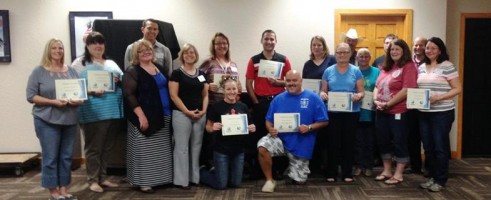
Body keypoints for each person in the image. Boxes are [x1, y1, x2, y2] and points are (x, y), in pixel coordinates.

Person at [26, 38, 83, 200]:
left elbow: (79, 94)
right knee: (50, 156)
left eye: (60, 48)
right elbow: (31, 96)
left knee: (66, 156)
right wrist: (52, 102)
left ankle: (64, 189)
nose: (58, 51)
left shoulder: (71, 70)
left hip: (69, 119)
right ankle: (53, 192)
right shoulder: (39, 71)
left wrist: (77, 100)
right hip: (46, 120)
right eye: (54, 48)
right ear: (48, 51)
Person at [258, 70, 329, 193]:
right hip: (279, 139)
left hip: (301, 144)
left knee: (299, 182)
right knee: (262, 146)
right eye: (288, 81)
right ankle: (269, 180)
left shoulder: (314, 98)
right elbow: (268, 120)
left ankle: (291, 170)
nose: (291, 83)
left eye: (294, 80)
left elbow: (324, 121)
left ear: (301, 81)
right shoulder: (278, 99)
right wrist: (270, 129)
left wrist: (309, 127)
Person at [71, 32, 123, 193]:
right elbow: (72, 88)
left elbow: (123, 81)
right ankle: (92, 180)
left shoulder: (111, 63)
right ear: (87, 45)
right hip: (93, 112)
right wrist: (91, 90)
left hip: (113, 112)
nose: (98, 46)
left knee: (107, 148)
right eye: (93, 43)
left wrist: (118, 80)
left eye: (100, 42)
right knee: (94, 148)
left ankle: (103, 177)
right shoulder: (79, 63)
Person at [123, 40, 173, 193]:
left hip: (163, 114)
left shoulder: (159, 67)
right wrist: (141, 116)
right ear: (136, 54)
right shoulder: (133, 71)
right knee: (144, 151)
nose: (146, 52)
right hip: (144, 117)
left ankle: (160, 179)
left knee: (160, 150)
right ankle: (145, 182)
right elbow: (129, 95)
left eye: (149, 49)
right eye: (142, 50)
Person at [245, 29, 292, 179]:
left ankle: (277, 169)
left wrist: (277, 82)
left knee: (278, 134)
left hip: (279, 102)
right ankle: (259, 170)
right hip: (261, 102)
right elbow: (248, 83)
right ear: (261, 41)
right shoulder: (254, 60)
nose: (269, 42)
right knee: (260, 135)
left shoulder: (283, 59)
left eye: (272, 39)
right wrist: (255, 102)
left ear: (275, 41)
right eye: (266, 39)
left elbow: (291, 82)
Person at [418, 37, 462, 192]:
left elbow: (457, 88)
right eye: (428, 48)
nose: (429, 50)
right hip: (424, 113)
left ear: (440, 50)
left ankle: (441, 180)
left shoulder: (447, 66)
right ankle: (432, 176)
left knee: (440, 147)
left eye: (433, 48)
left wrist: (439, 97)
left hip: (442, 113)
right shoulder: (421, 66)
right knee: (428, 147)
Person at [373, 39, 418, 185]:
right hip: (381, 111)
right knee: (382, 141)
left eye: (397, 49)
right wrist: (376, 101)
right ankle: (387, 170)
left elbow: (406, 90)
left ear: (404, 50)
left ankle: (398, 174)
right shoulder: (386, 67)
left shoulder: (409, 66)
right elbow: (376, 86)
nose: (394, 52)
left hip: (399, 111)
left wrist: (388, 104)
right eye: (392, 49)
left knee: (399, 141)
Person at [199, 78, 256, 190]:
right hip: (221, 151)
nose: (231, 92)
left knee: (235, 184)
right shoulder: (217, 107)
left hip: (238, 151)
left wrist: (252, 128)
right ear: (224, 90)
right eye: (228, 89)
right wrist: (213, 127)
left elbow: (250, 125)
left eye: (234, 89)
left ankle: (220, 171)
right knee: (221, 185)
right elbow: (208, 127)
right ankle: (201, 172)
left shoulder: (243, 107)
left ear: (238, 90)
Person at [320, 42, 364, 183]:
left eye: (345, 52)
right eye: (339, 52)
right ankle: (331, 172)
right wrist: (322, 94)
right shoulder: (328, 71)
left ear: (350, 54)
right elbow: (323, 90)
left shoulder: (356, 71)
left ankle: (347, 173)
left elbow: (361, 91)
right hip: (332, 112)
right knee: (332, 142)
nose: (342, 55)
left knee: (348, 143)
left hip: (351, 112)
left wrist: (359, 96)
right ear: (335, 53)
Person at [199, 32, 242, 169]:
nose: (222, 45)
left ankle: (226, 164)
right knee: (213, 136)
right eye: (218, 43)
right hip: (214, 105)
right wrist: (207, 85)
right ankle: (210, 164)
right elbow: (198, 78)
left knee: (228, 135)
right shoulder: (209, 62)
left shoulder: (233, 64)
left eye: (224, 43)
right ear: (214, 45)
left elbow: (237, 82)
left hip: (230, 105)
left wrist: (239, 87)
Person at [169, 43, 209, 189]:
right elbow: (174, 96)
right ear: (182, 56)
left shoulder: (202, 74)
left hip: (200, 115)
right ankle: (181, 181)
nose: (189, 55)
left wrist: (204, 110)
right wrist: (187, 112)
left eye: (192, 52)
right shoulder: (176, 74)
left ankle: (194, 178)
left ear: (196, 55)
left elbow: (205, 95)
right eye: (186, 53)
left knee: (196, 147)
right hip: (181, 115)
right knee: (181, 148)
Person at [302, 35, 336, 173]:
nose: (316, 47)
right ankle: (314, 167)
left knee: (328, 135)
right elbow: (304, 84)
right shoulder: (308, 64)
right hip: (312, 104)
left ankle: (328, 167)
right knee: (313, 135)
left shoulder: (331, 60)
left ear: (324, 46)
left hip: (328, 102)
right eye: (314, 45)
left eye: (319, 45)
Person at [353, 48, 380, 177]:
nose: (363, 59)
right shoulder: (353, 71)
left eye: (366, 56)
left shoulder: (377, 72)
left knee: (370, 141)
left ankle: (368, 166)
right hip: (356, 111)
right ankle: (358, 165)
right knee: (357, 141)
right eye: (361, 56)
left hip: (371, 112)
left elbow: (380, 89)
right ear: (357, 58)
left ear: (370, 58)